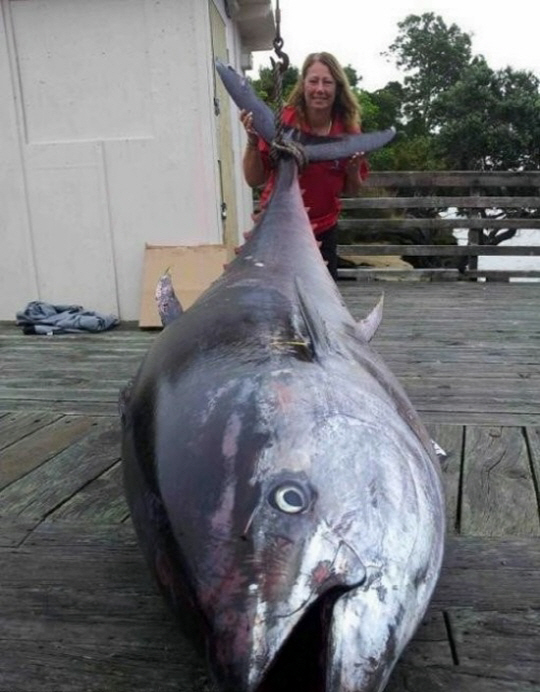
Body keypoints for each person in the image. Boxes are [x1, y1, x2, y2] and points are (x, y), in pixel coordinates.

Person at [240, 51, 369, 280]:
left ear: (337, 87)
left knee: (320, 298)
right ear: (303, 85)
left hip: (322, 232)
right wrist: (252, 141)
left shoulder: (349, 131)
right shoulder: (282, 122)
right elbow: (254, 179)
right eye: (313, 81)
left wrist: (352, 172)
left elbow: (352, 190)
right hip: (276, 230)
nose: (320, 89)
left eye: (327, 82)